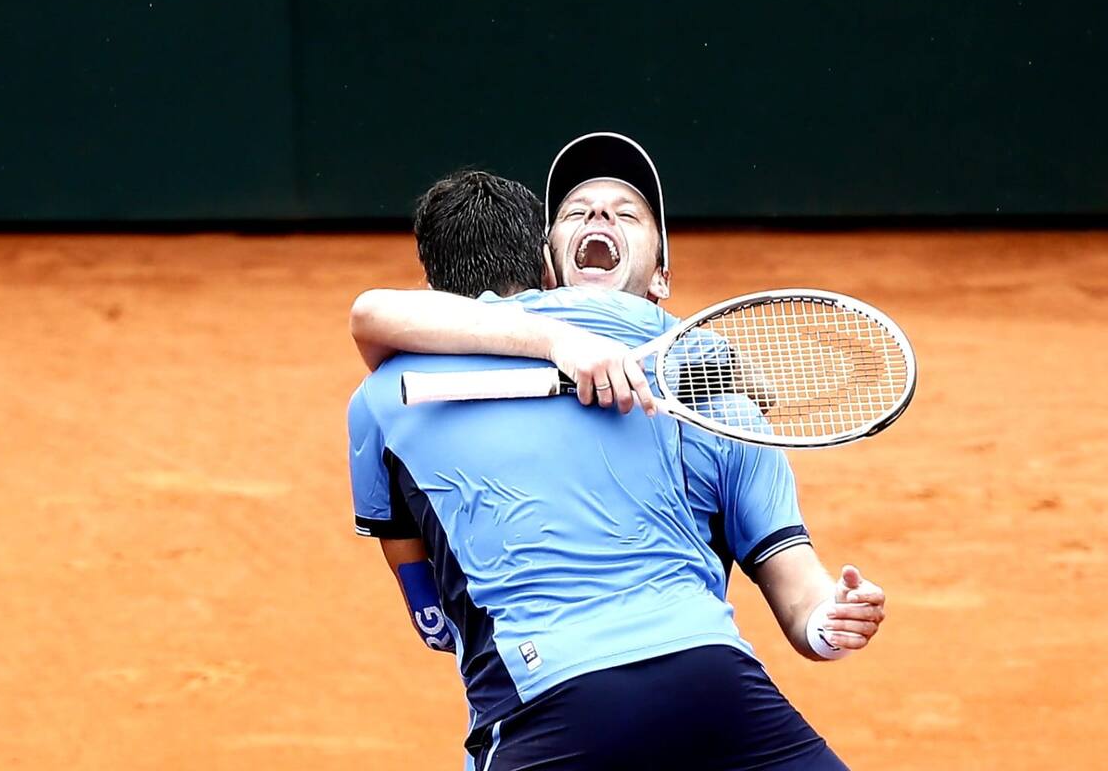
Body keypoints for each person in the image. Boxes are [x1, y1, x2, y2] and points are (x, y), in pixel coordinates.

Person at [348, 148, 884, 770]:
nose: (600, 211)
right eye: (576, 210)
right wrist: (561, 342)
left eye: (628, 214)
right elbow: (375, 313)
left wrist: (828, 622)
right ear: (548, 266)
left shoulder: (716, 395)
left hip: (566, 697)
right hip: (703, 690)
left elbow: (796, 583)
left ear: (661, 275)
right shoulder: (667, 365)